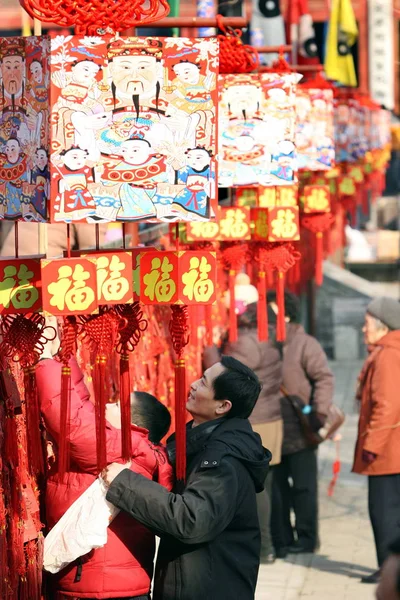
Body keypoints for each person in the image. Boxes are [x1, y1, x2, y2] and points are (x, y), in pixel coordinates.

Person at [102, 355, 270, 600]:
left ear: (222, 406)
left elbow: (191, 519)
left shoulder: (225, 460)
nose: (192, 384)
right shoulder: (193, 442)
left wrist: (123, 483)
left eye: (203, 382)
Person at [36, 330, 174, 600]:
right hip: (119, 583)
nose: (107, 403)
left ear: (130, 422)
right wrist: (63, 354)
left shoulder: (118, 449)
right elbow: (82, 406)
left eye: (116, 403)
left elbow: (70, 420)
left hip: (97, 586)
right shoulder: (134, 447)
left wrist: (44, 360)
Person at [203, 292, 283, 564]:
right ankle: (270, 544)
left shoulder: (246, 342)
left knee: (257, 489)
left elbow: (225, 376)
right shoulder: (266, 336)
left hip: (257, 421)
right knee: (266, 484)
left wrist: (210, 347)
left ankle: (265, 546)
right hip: (271, 417)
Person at [268, 291, 333, 555]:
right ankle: (282, 539)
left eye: (273, 312)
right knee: (277, 488)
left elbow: (324, 378)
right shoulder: (261, 343)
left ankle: (307, 539)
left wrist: (320, 412)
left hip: (301, 427)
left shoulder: (305, 343)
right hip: (271, 428)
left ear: (286, 314)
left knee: (305, 488)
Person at [353, 297, 400, 584]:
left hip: (387, 451)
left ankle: (389, 571)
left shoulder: (387, 356)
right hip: (391, 448)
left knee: (384, 512)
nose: (363, 329)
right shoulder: (387, 351)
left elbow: (388, 405)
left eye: (367, 323)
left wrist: (371, 446)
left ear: (382, 327)